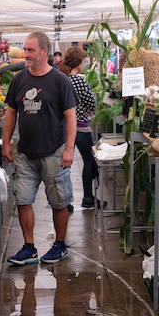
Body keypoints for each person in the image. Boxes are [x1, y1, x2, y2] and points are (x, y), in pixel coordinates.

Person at [3, 31, 77, 266]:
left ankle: (60, 244)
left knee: (59, 201)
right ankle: (29, 247)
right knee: (23, 199)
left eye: (30, 50)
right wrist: (6, 142)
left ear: (44, 51)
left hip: (54, 151)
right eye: (24, 49)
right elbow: (11, 112)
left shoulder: (60, 81)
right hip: (25, 152)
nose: (25, 54)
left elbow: (71, 117)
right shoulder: (19, 80)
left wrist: (69, 149)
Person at [59, 46, 100, 210]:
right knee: (88, 161)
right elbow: (91, 103)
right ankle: (88, 198)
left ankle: (65, 202)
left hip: (63, 128)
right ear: (79, 62)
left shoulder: (62, 79)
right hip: (81, 127)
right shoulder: (80, 80)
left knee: (64, 164)